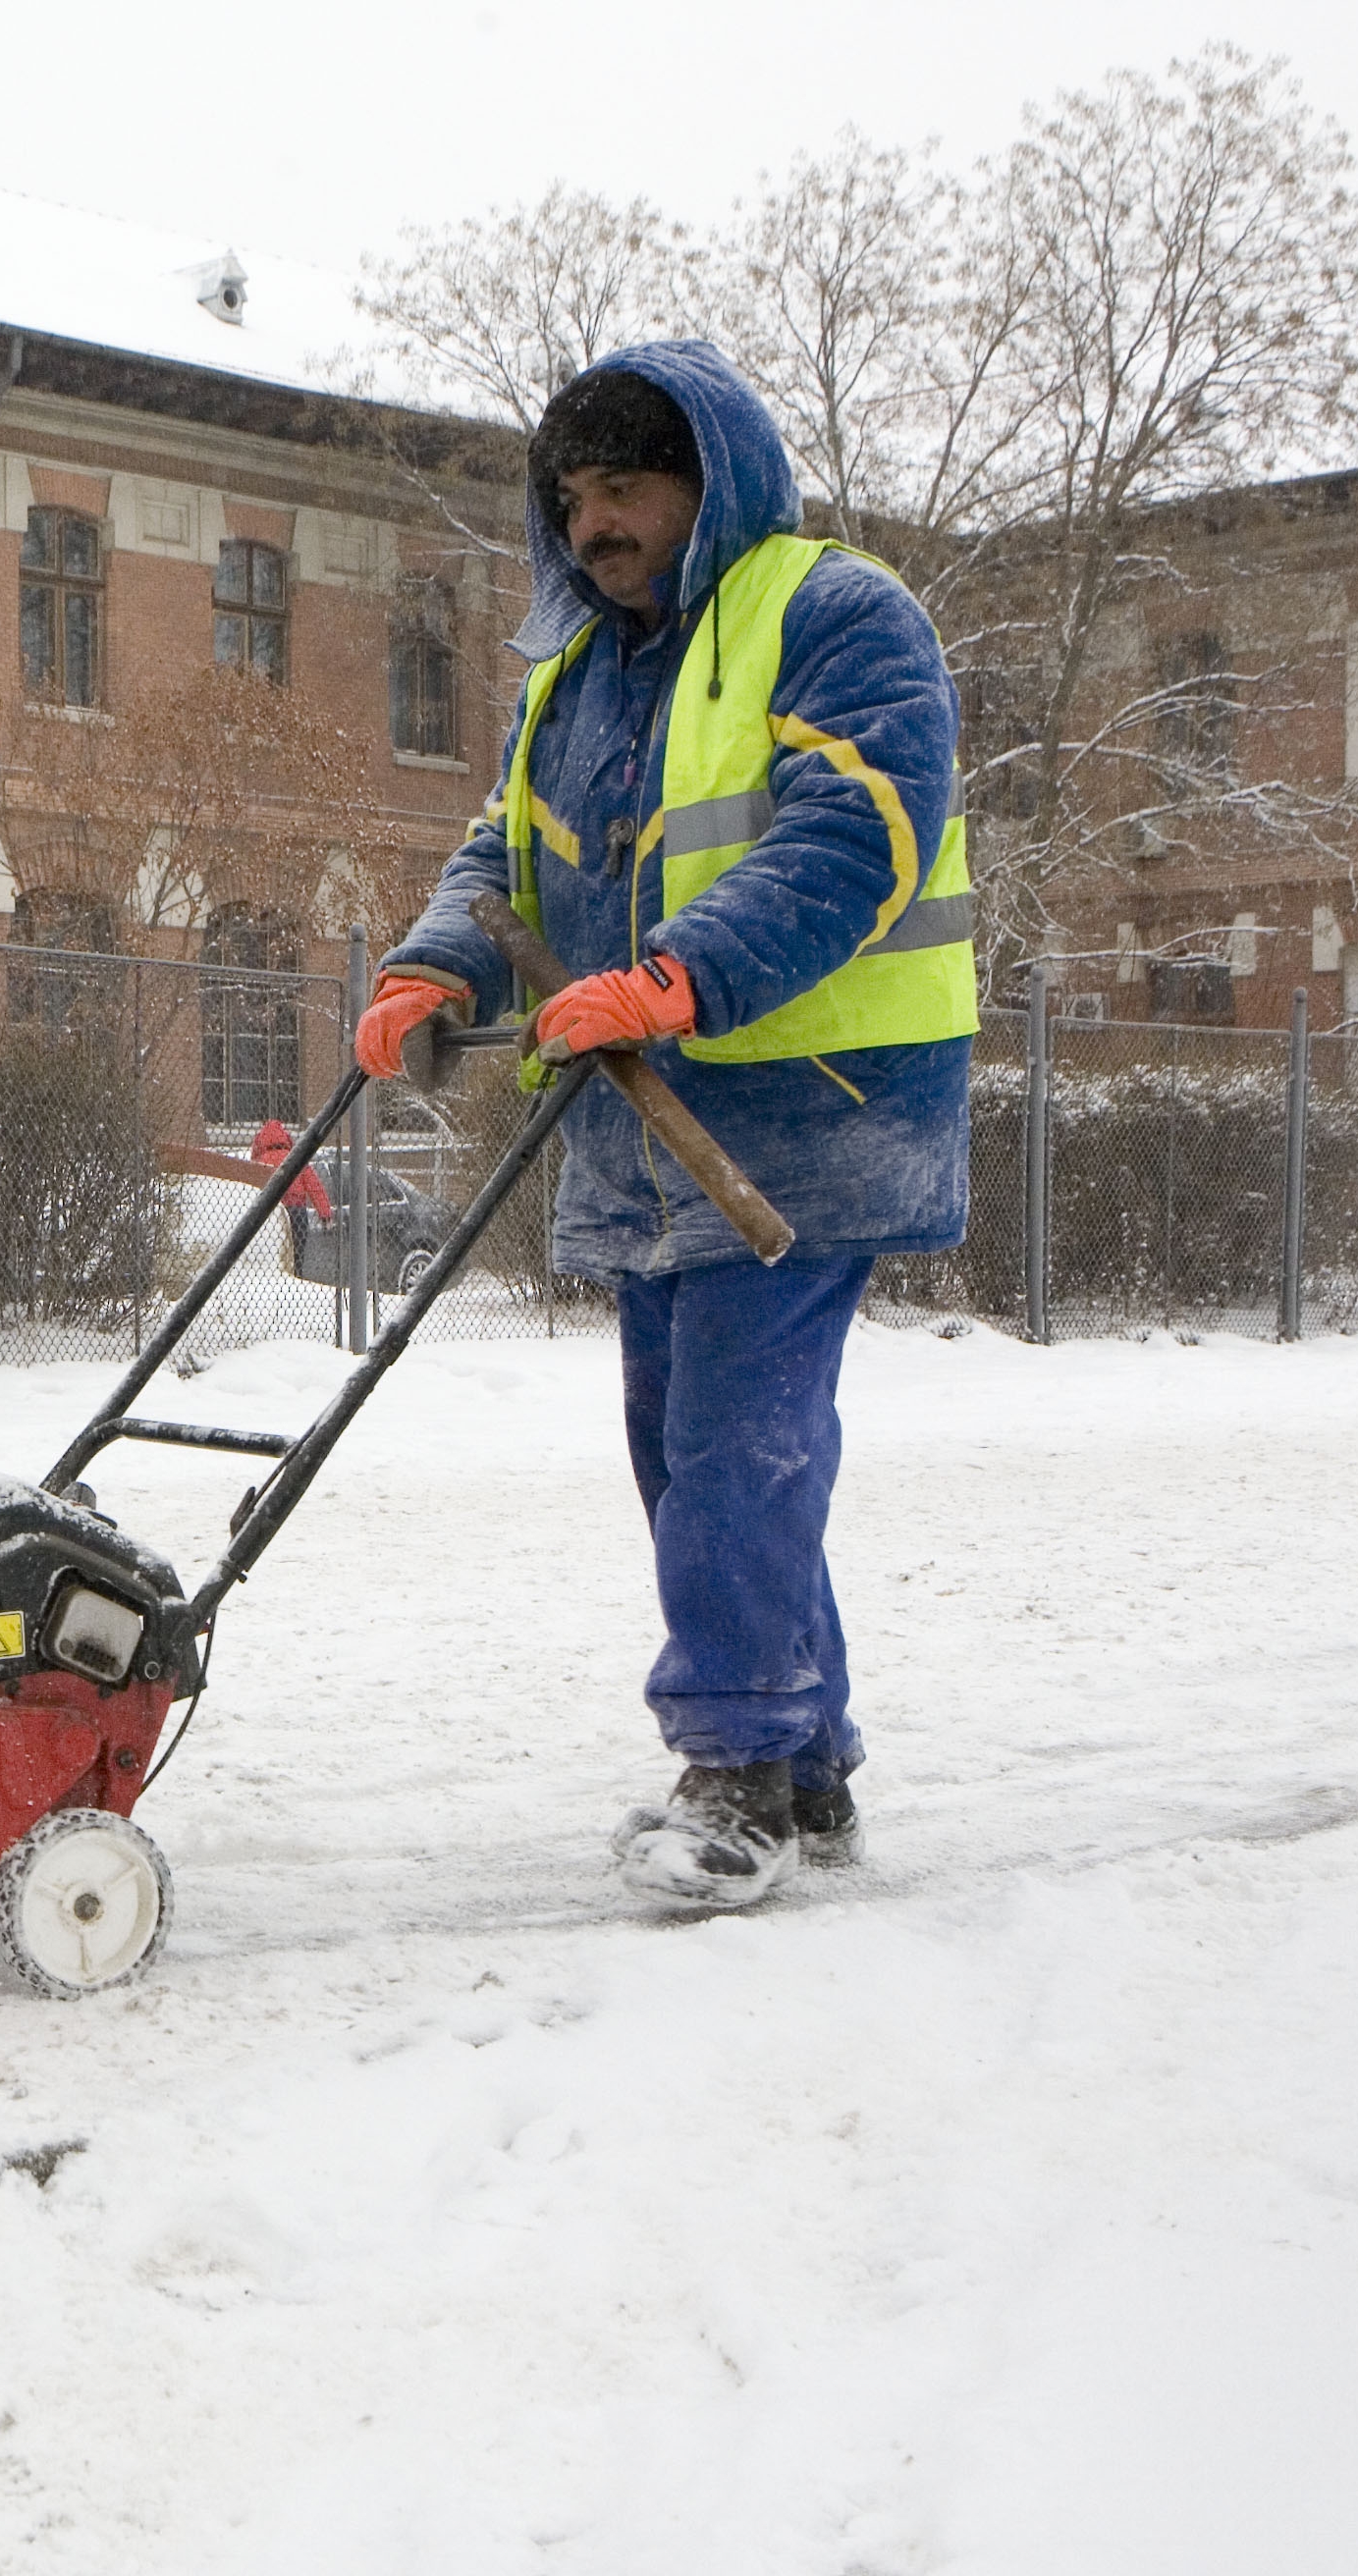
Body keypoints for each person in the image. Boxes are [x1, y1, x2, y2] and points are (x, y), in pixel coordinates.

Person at [354, 343, 973, 1907]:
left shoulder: (835, 615)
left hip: (810, 1109)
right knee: (686, 1449)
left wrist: (680, 975)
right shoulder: (575, 675)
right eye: (571, 499)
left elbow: (861, 832)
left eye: (626, 488)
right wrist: (437, 965)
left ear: (714, 482)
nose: (593, 526)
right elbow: (505, 855)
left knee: (731, 1444)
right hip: (645, 1122)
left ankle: (738, 1777)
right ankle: (806, 1764)